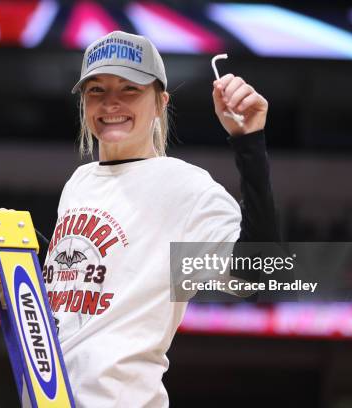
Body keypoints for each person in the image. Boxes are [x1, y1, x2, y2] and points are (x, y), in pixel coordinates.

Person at [42, 31, 278, 407]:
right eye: (96, 90)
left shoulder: (184, 186)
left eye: (129, 89)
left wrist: (250, 142)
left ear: (160, 103)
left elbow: (258, 274)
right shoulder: (78, 183)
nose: (111, 103)